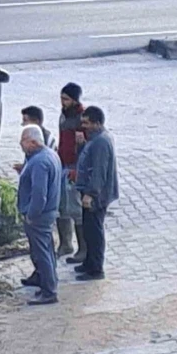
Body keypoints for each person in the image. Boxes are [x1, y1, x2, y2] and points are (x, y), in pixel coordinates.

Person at [17, 125, 62, 305]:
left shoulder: (39, 163)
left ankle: (49, 291)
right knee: (47, 249)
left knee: (41, 252)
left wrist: (31, 215)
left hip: (39, 216)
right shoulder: (50, 155)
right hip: (48, 213)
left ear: (34, 142)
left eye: (23, 141)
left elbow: (39, 194)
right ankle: (46, 281)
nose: (21, 145)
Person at [74, 106, 119, 282]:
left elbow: (99, 171)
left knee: (94, 231)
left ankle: (95, 268)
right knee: (88, 229)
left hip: (96, 195)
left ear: (97, 123)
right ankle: (89, 262)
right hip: (91, 191)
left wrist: (91, 194)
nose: (84, 126)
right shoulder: (95, 139)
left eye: (87, 123)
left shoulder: (100, 142)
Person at [58, 83, 87, 261]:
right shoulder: (64, 115)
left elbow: (85, 146)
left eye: (66, 99)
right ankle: (65, 244)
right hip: (63, 163)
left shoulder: (81, 117)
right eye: (61, 98)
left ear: (75, 100)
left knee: (75, 208)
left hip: (74, 167)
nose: (63, 102)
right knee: (61, 206)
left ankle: (83, 248)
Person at [13, 106, 57, 175]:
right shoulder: (30, 137)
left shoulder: (48, 139)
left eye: (25, 120)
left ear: (36, 121)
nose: (23, 124)